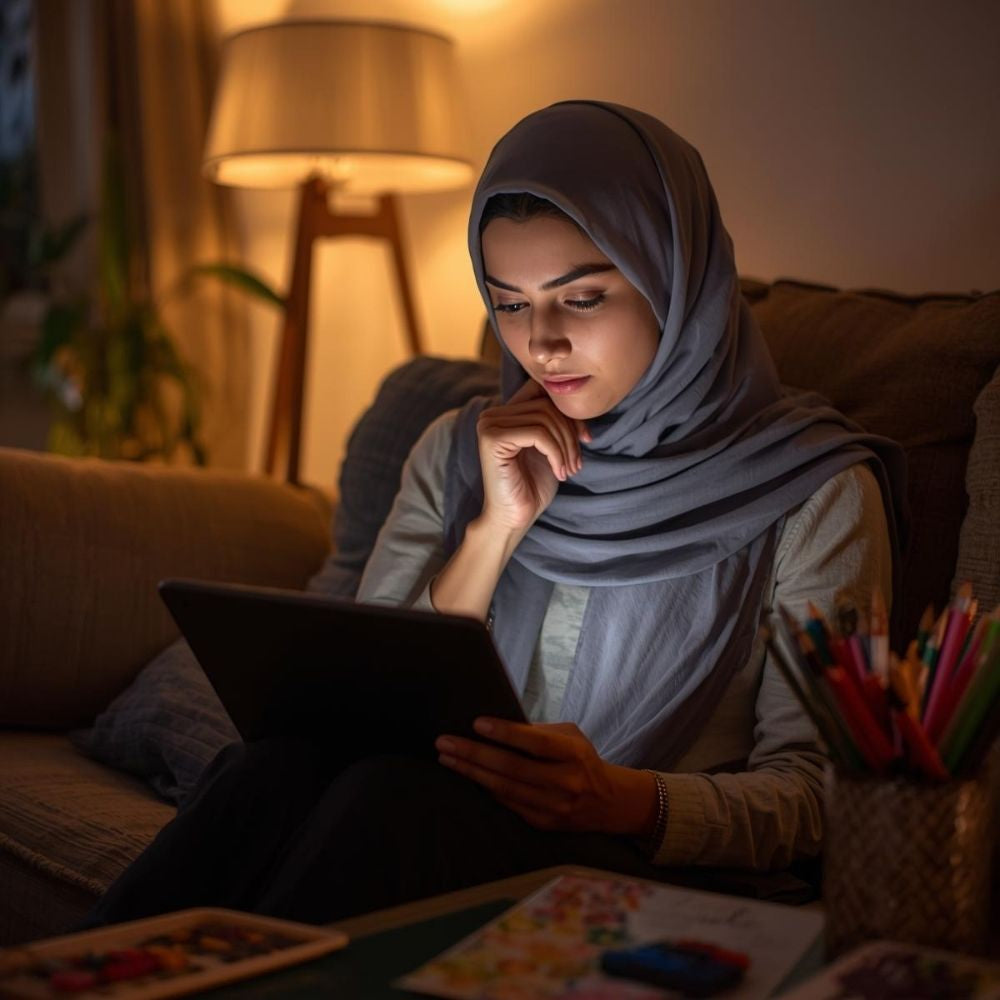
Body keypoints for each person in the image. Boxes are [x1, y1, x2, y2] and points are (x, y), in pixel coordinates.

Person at [86, 100, 904, 928]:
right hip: (424, 817)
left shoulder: (813, 492)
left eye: (580, 298)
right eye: (509, 303)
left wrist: (622, 800)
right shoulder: (459, 449)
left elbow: (821, 795)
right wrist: (492, 531)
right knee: (270, 768)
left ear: (675, 281)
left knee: (396, 799)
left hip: (647, 872)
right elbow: (351, 704)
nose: (540, 345)